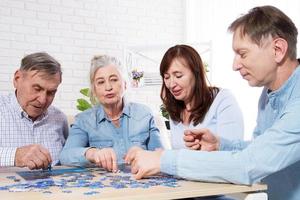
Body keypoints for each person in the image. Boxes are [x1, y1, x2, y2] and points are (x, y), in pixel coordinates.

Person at [128, 5, 300, 200]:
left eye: (242, 54)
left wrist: (162, 160)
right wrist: (220, 145)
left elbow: (249, 165)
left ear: (278, 49)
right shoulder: (268, 95)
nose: (235, 65)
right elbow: (260, 149)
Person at [59, 55, 163, 172]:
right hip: (104, 187)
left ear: (125, 83)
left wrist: (146, 155)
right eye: (101, 82)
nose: (108, 87)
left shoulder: (144, 114)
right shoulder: (84, 120)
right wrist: (92, 153)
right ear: (94, 89)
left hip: (142, 182)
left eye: (114, 79)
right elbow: (66, 155)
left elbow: (161, 155)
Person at [159, 44, 243, 150]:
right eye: (166, 77)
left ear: (196, 73)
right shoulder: (176, 111)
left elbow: (234, 152)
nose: (171, 84)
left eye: (178, 76)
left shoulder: (222, 100)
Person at [0, 52, 68, 170]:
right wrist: (16, 156)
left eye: (51, 92)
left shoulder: (60, 119)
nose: (42, 100)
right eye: (37, 89)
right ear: (17, 79)